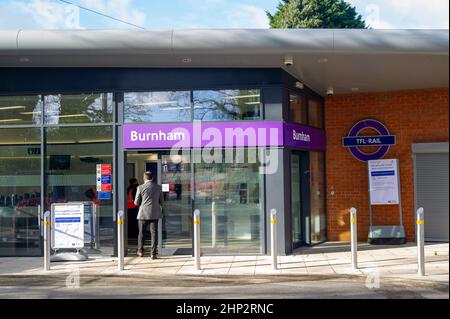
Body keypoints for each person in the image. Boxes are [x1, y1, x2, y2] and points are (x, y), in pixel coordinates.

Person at [134, 171, 163, 259]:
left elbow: (136, 202)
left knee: (141, 233)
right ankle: (153, 253)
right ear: (152, 178)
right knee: (154, 233)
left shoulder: (140, 187)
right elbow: (162, 202)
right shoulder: (158, 188)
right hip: (154, 213)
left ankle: (140, 251)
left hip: (143, 213)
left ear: (144, 178)